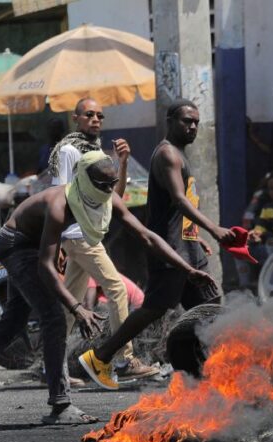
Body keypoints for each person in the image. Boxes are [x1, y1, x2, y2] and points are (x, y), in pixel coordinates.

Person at [0, 151, 215, 423]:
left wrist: (187, 269)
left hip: (38, 242)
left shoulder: (107, 198)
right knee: (55, 317)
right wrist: (77, 306)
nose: (108, 190)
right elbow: (45, 266)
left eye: (111, 184)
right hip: (17, 244)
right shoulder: (60, 204)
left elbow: (147, 237)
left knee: (14, 319)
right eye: (102, 184)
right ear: (84, 180)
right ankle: (60, 404)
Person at [78, 99, 234, 390]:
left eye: (196, 122)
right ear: (170, 121)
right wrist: (214, 228)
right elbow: (179, 200)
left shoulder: (179, 155)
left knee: (209, 308)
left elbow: (170, 210)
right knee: (155, 307)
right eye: (187, 121)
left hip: (186, 246)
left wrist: (195, 236)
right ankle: (100, 356)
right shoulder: (167, 155)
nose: (192, 127)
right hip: (170, 251)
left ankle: (204, 372)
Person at [50, 98, 157, 380]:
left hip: (87, 234)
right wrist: (56, 239)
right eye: (89, 115)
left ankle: (54, 366)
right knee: (116, 289)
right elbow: (58, 195)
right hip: (79, 235)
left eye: (100, 115)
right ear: (76, 119)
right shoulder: (69, 151)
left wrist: (121, 163)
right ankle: (124, 360)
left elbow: (114, 197)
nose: (96, 119)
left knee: (71, 306)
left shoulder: (96, 151)